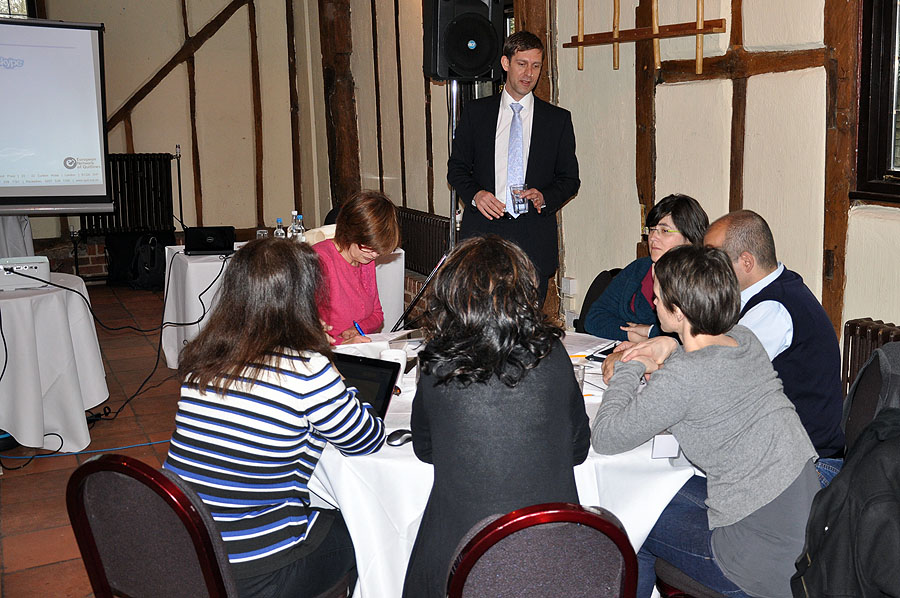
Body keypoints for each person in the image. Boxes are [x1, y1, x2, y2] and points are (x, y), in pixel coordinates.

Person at [593, 245, 819, 598]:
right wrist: (669, 348)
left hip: (756, 563)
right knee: (656, 492)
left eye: (659, 296)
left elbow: (606, 437)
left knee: (630, 521)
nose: (653, 301)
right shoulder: (744, 340)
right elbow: (703, 370)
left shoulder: (684, 377)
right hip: (806, 532)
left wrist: (629, 365)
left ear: (679, 311)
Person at [164, 238, 385, 598]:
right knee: (369, 527)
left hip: (190, 548)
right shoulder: (306, 369)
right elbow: (366, 439)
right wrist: (330, 367)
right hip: (255, 572)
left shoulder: (203, 357)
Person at [401, 235, 591, 598]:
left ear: (452, 295)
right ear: (525, 293)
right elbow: (578, 450)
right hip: (554, 557)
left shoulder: (437, 362)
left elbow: (425, 450)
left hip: (460, 559)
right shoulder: (553, 355)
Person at [448, 30, 580, 304]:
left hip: (533, 239)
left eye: (536, 66)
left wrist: (544, 196)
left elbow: (570, 179)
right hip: (484, 234)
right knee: (480, 318)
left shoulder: (557, 120)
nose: (529, 73)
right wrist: (476, 195)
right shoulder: (476, 113)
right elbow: (456, 168)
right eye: (522, 64)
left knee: (527, 322)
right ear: (505, 63)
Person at [704, 210, 844, 461]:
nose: (705, 267)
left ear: (746, 262)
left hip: (808, 466)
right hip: (782, 451)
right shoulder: (771, 291)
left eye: (712, 257)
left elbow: (715, 376)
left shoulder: (774, 308)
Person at [584, 193, 708, 342]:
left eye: (664, 231)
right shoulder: (639, 268)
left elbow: (695, 333)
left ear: (690, 238)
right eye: (652, 230)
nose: (653, 237)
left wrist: (649, 331)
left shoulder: (700, 280)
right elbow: (593, 318)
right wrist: (633, 335)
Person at [313, 190, 400, 345]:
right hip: (325, 353)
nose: (374, 255)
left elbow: (377, 314)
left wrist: (357, 329)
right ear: (350, 232)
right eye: (370, 248)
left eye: (378, 251)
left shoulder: (365, 260)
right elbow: (302, 328)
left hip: (356, 349)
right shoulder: (319, 260)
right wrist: (340, 344)